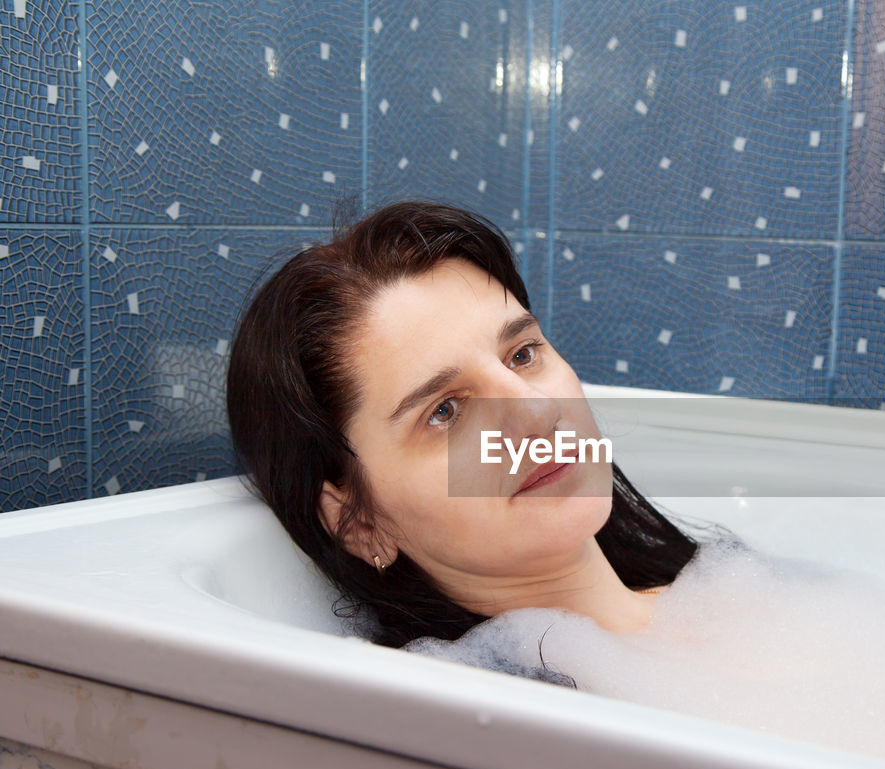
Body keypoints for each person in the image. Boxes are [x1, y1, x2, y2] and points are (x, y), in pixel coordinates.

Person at [226, 201, 720, 685]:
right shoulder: (473, 733)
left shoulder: (743, 604)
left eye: (523, 354)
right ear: (359, 524)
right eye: (445, 411)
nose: (537, 413)